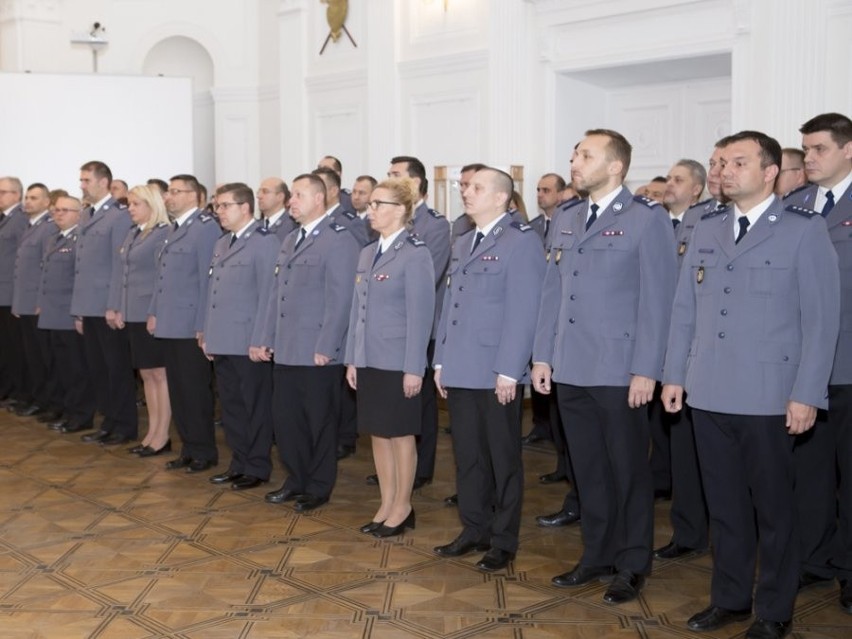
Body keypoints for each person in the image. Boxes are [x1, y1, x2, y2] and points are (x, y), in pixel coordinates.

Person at [662, 130, 839, 639]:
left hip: (769, 395)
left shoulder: (803, 231)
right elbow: (683, 310)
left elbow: (820, 321)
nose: (724, 171)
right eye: (720, 162)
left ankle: (774, 611)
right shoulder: (707, 227)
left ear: (769, 173)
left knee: (774, 511)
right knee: (725, 506)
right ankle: (731, 598)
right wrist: (675, 374)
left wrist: (807, 392)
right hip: (708, 389)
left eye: (738, 162)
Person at [531, 129, 677, 604]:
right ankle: (596, 554)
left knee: (628, 471)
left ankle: (632, 562)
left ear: (615, 166)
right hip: (571, 365)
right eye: (575, 153)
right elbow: (552, 291)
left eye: (585, 155)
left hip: (619, 370)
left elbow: (658, 301)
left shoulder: (645, 218)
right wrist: (542, 354)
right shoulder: (569, 215)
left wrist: (646, 369)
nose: (574, 161)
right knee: (588, 469)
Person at [432, 167, 545, 573]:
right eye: (465, 186)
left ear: (501, 198)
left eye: (477, 187)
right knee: (468, 456)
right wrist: (441, 359)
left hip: (496, 370)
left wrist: (510, 370)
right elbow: (450, 306)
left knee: (503, 458)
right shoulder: (462, 241)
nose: (466, 192)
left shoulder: (520, 243)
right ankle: (474, 528)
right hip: (461, 366)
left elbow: (523, 310)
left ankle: (503, 539)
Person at [254, 173, 360, 512]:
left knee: (319, 422)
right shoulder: (289, 240)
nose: (291, 202)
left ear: (319, 199)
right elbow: (275, 297)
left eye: (298, 195)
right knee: (287, 421)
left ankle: (318, 485)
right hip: (286, 348)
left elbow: (341, 299)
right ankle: (296, 478)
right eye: (291, 196)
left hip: (317, 351)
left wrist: (328, 345)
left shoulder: (339, 240)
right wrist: (264, 337)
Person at [783, 112, 852, 608]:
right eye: (805, 149)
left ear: (848, 149)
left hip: (849, 362)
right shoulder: (794, 206)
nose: (808, 158)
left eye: (819, 149)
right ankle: (815, 558)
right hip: (803, 366)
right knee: (809, 474)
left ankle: (849, 567)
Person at [345, 177, 435, 537]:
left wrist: (415, 367)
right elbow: (357, 312)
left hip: (398, 361)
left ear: (400, 210)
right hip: (370, 359)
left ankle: (403, 505)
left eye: (379, 204)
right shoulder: (368, 252)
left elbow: (421, 316)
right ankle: (386, 502)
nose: (372, 210)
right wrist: (353, 358)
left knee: (400, 436)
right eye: (372, 204)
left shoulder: (415, 254)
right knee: (378, 435)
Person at [202, 183, 278, 491]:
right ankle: (239, 461)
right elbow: (213, 293)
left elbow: (268, 295)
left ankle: (257, 466)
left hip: (249, 341)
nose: (219, 211)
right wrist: (208, 333)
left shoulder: (264, 242)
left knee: (254, 406)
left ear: (245, 208)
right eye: (217, 206)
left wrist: (261, 338)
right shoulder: (223, 243)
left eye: (225, 206)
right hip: (223, 338)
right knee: (231, 405)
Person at [148, 174, 221, 473]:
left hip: (190, 324)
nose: (168, 197)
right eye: (168, 192)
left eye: (176, 192)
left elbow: (208, 280)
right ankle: (188, 447)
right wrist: (154, 311)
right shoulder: (174, 229)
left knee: (194, 390)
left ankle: (204, 450)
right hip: (170, 322)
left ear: (193, 195)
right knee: (178, 389)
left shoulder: (204, 229)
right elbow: (162, 278)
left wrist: (203, 324)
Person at [72, 161, 138, 446]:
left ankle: (124, 425)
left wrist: (114, 305)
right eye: (81, 179)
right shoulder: (87, 214)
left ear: (103, 182)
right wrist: (79, 310)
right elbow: (82, 267)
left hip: (107, 306)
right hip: (89, 305)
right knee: (98, 368)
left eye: (86, 180)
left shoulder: (117, 216)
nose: (82, 185)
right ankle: (109, 422)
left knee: (116, 368)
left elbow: (118, 264)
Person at [106, 184, 172, 456]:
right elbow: (123, 276)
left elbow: (161, 278)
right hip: (133, 312)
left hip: (149, 313)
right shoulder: (134, 233)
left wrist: (155, 312)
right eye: (129, 204)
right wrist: (119, 307)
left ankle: (163, 435)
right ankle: (152, 432)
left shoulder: (162, 234)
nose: (130, 209)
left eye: (136, 204)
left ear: (152, 205)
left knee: (160, 374)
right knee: (146, 374)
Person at [38, 196, 96, 434]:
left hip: (69, 313)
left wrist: (79, 313)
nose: (58, 214)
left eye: (65, 210)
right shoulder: (54, 238)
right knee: (59, 366)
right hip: (52, 312)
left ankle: (81, 415)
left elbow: (81, 279)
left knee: (76, 368)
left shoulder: (81, 238)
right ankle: (66, 409)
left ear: (79, 213)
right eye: (56, 210)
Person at [11, 184, 60, 422]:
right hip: (25, 301)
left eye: (34, 198)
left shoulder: (48, 227)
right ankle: (38, 399)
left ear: (46, 202)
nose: (27, 202)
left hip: (38, 304)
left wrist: (40, 301)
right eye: (27, 198)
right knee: (32, 356)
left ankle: (48, 401)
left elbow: (46, 269)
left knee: (44, 357)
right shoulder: (31, 227)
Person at [0, 177, 29, 409]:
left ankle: (17, 391)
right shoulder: (5, 219)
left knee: (13, 347)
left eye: (3, 192)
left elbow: (22, 259)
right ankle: (7, 388)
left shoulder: (19, 220)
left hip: (10, 293)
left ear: (17, 195)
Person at [256, 177, 297, 242]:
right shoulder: (254, 225)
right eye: (259, 192)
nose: (259, 196)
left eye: (265, 192)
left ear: (280, 196)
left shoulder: (293, 226)